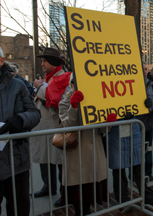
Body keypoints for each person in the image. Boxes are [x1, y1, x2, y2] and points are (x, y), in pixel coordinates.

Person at [0, 41, 41, 215]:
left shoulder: (17, 85)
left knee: (19, 208)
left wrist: (20, 119)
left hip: (15, 161)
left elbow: (35, 114)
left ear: (1, 60)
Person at [58, 79, 108, 215]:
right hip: (77, 154)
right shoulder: (64, 103)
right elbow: (67, 126)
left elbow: (103, 130)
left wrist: (108, 123)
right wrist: (73, 107)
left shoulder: (96, 100)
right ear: (71, 85)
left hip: (94, 152)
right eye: (76, 83)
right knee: (78, 195)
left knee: (90, 194)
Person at [31, 48, 71, 206]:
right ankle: (48, 187)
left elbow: (59, 100)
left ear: (53, 63)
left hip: (56, 127)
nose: (42, 64)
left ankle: (64, 193)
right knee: (45, 159)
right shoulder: (50, 78)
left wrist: (40, 88)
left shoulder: (63, 78)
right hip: (45, 128)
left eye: (44, 61)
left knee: (59, 161)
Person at [109, 113, 153, 210]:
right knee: (119, 169)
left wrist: (147, 105)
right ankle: (123, 201)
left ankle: (148, 198)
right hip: (116, 130)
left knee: (139, 167)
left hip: (133, 130)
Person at [135, 63, 153, 179]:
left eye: (146, 70)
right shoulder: (132, 83)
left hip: (148, 123)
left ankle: (148, 174)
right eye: (142, 69)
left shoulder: (149, 83)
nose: (145, 71)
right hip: (138, 124)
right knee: (137, 153)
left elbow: (152, 99)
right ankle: (135, 176)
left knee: (148, 152)